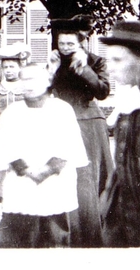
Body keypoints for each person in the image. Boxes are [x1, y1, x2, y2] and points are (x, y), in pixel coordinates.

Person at [0, 66, 89, 248]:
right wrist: (26, 170)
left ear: (48, 81)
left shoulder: (62, 109)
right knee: (19, 239)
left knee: (53, 238)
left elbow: (70, 144)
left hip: (55, 182)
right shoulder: (12, 112)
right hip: (21, 183)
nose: (29, 85)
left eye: (34, 79)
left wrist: (47, 170)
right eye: (25, 80)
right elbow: (5, 146)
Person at [47, 16, 114, 247]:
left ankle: (89, 238)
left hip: (88, 124)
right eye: (61, 43)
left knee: (86, 181)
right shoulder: (53, 61)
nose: (65, 48)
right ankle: (65, 235)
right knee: (62, 179)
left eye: (70, 44)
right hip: (60, 123)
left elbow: (103, 91)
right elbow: (42, 93)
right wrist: (50, 70)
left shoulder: (95, 61)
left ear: (81, 43)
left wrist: (84, 69)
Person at [98, 20, 140, 247]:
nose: (110, 68)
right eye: (109, 60)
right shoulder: (130, 99)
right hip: (121, 209)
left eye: (118, 60)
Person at [0, 43, 31, 204]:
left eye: (12, 66)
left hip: (22, 131)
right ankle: (1, 200)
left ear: (20, 67)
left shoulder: (26, 87)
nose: (9, 70)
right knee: (1, 165)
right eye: (5, 67)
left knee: (22, 165)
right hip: (2, 132)